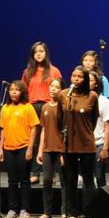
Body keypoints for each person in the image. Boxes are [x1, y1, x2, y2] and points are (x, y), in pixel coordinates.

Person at [59, 67, 99, 218]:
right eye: (73, 75)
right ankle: (72, 214)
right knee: (70, 180)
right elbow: (59, 120)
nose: (75, 79)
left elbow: (94, 118)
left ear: (85, 79)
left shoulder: (92, 96)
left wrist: (86, 132)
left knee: (88, 180)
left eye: (79, 77)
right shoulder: (63, 95)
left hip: (86, 143)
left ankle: (90, 215)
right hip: (69, 144)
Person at [0, 80, 39, 218]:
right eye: (12, 89)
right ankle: (13, 209)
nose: (13, 92)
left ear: (22, 92)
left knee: (24, 180)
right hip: (8, 148)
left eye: (17, 90)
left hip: (23, 147)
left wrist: (30, 148)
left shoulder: (28, 107)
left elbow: (34, 128)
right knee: (12, 180)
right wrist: (1, 147)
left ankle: (24, 209)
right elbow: (2, 129)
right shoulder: (5, 108)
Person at [23, 42, 62, 183]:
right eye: (36, 52)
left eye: (41, 51)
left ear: (46, 53)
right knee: (34, 141)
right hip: (32, 107)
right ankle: (35, 172)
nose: (38, 54)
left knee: (50, 140)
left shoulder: (54, 71)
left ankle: (51, 173)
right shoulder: (28, 72)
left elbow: (60, 90)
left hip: (49, 106)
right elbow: (23, 92)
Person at [36, 78, 66, 218]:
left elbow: (66, 130)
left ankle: (64, 211)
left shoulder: (64, 107)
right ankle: (47, 212)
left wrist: (63, 151)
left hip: (61, 149)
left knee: (64, 181)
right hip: (47, 149)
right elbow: (43, 130)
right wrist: (40, 150)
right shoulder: (45, 107)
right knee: (47, 180)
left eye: (56, 87)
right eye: (51, 86)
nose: (53, 89)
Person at [90, 73, 109, 191]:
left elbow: (107, 125)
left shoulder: (103, 100)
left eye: (91, 80)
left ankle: (102, 207)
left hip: (98, 143)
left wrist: (105, 148)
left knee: (99, 177)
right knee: (87, 178)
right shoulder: (79, 99)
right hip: (84, 145)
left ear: (96, 84)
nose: (88, 83)